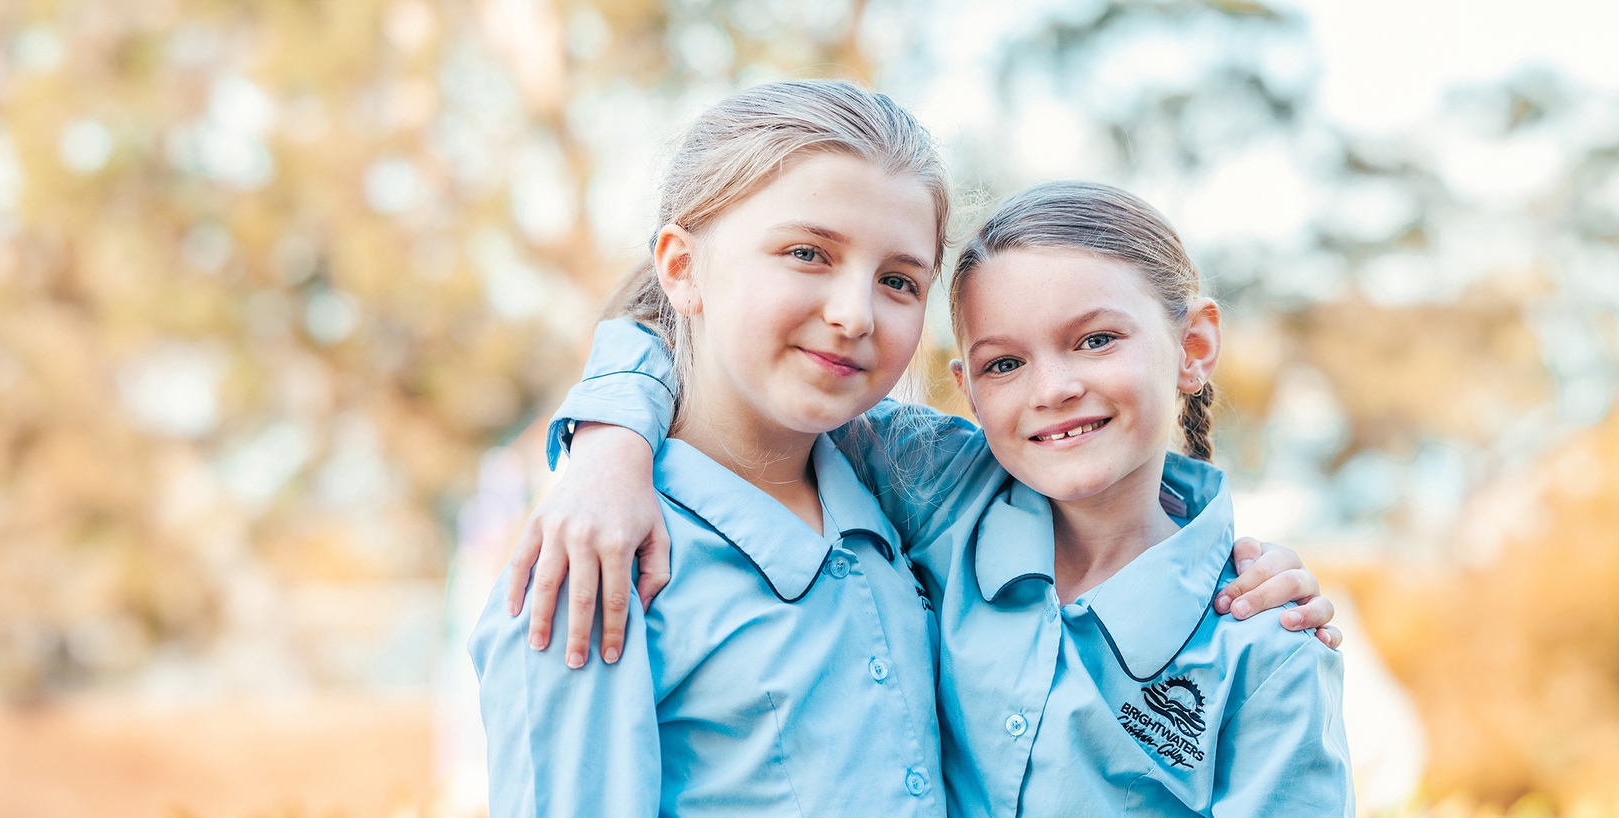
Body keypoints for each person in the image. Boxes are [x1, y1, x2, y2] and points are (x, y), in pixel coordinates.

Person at [518, 181, 1354, 815]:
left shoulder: (1267, 644)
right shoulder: (944, 488)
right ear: (966, 387)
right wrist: (608, 441)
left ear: (1193, 345)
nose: (1053, 388)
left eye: (1095, 340)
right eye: (1003, 364)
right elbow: (718, 337)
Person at [469, 79, 957, 816]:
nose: (855, 314)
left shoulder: (900, 497)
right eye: (808, 253)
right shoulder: (597, 558)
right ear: (681, 268)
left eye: (898, 280)